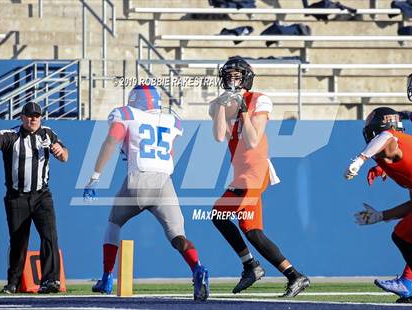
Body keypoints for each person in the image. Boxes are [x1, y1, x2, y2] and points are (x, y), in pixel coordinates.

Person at [84, 84, 209, 301]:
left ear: (135, 100)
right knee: (179, 237)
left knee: (114, 223)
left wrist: (95, 177)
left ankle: (106, 277)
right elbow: (169, 151)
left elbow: (112, 141)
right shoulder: (171, 120)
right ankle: (197, 268)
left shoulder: (126, 114)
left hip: (139, 179)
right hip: (164, 182)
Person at [208, 56, 310, 297]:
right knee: (252, 230)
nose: (232, 79)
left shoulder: (259, 99)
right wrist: (223, 106)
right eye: (229, 75)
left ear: (246, 78)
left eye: (237, 75)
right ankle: (293, 275)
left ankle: (250, 266)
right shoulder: (217, 103)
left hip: (255, 172)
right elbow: (218, 136)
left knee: (219, 214)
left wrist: (243, 110)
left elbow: (253, 140)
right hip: (241, 173)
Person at [0, 101, 68, 294]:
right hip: (17, 197)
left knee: (50, 236)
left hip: (41, 195)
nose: (33, 119)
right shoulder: (11, 136)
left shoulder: (48, 133)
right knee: (19, 241)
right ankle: (13, 283)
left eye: (37, 116)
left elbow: (65, 156)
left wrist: (60, 152)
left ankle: (51, 281)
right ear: (21, 117)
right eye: (29, 115)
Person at [344, 107, 412, 303]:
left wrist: (360, 159)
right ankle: (406, 284)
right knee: (403, 236)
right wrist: (380, 216)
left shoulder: (390, 139)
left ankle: (406, 282)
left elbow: (386, 135)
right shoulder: (401, 153)